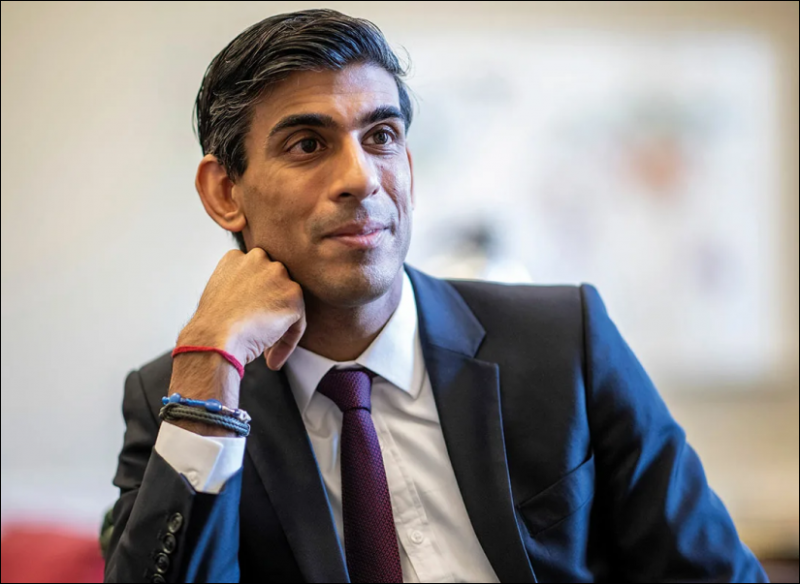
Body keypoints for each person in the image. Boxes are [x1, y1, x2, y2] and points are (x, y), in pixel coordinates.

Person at [103, 8, 768, 584]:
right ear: (225, 193)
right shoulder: (178, 397)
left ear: (409, 169)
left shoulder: (565, 340)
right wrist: (208, 372)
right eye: (308, 144)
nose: (362, 178)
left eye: (381, 138)